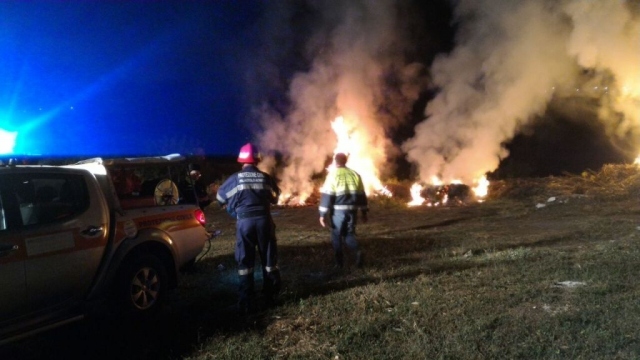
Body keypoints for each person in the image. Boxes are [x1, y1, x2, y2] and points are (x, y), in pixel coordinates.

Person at [216, 143, 282, 314]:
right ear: (257, 160)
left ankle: (246, 300)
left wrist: (231, 205)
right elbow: (275, 197)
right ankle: (271, 296)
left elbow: (220, 197)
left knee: (245, 260)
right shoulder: (265, 178)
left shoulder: (234, 179)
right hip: (264, 222)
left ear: (241, 160)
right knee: (269, 258)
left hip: (244, 223)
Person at [319, 153, 368, 269]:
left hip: (338, 212)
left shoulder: (333, 175)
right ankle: (357, 252)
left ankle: (339, 263)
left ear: (335, 162)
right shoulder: (355, 175)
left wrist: (322, 214)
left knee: (336, 235)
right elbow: (362, 195)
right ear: (346, 161)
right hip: (352, 211)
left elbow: (327, 195)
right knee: (349, 234)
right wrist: (364, 212)